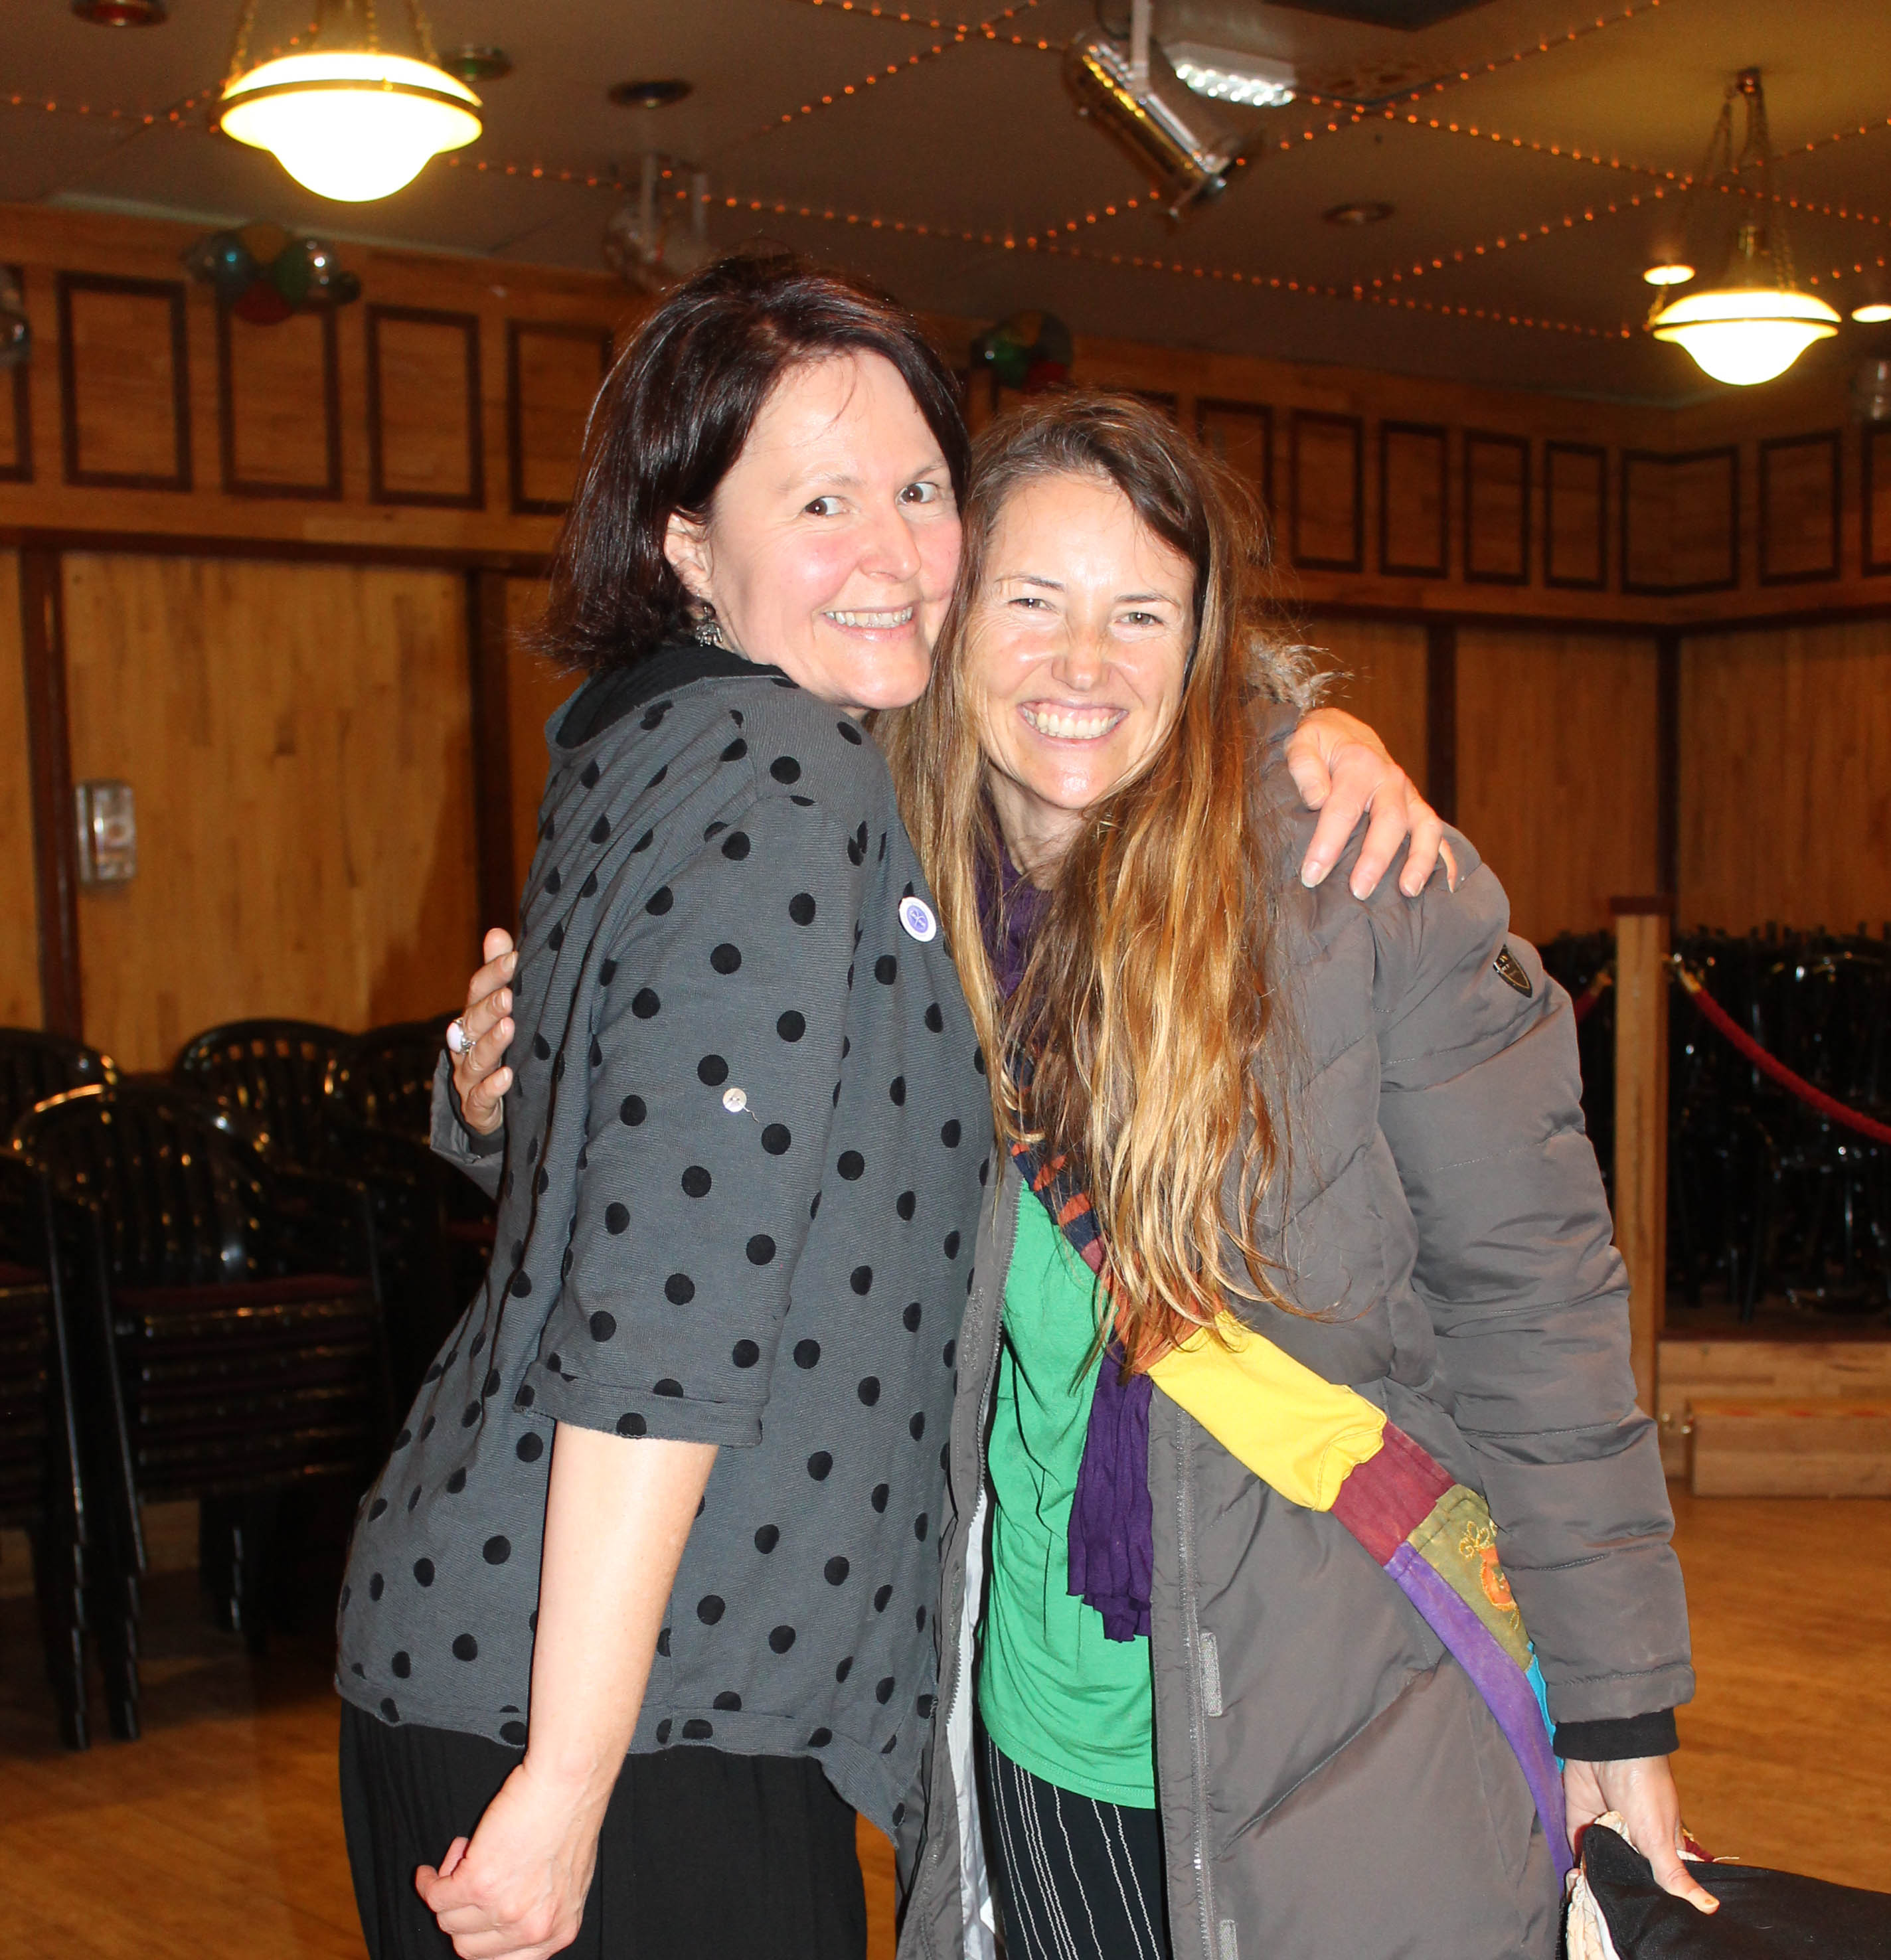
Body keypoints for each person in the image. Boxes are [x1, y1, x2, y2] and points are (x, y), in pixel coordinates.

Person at [339, 254, 1445, 1960]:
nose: (892, 551)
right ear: (685, 542)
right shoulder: (791, 775)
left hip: (505, 1637)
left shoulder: (646, 740)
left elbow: (651, 1143)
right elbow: (663, 1324)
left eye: (921, 491)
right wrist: (565, 1785)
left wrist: (1298, 724)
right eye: (819, 501)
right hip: (629, 1703)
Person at [884, 394, 1713, 1960]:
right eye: (1032, 601)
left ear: (1203, 643)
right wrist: (498, 1085)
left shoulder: (1362, 886)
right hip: (1033, 1747)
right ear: (950, 617)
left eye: (1140, 612)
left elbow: (1535, 1308)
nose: (1081, 663)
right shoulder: (893, 908)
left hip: (1348, 1738)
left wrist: (1616, 1711)